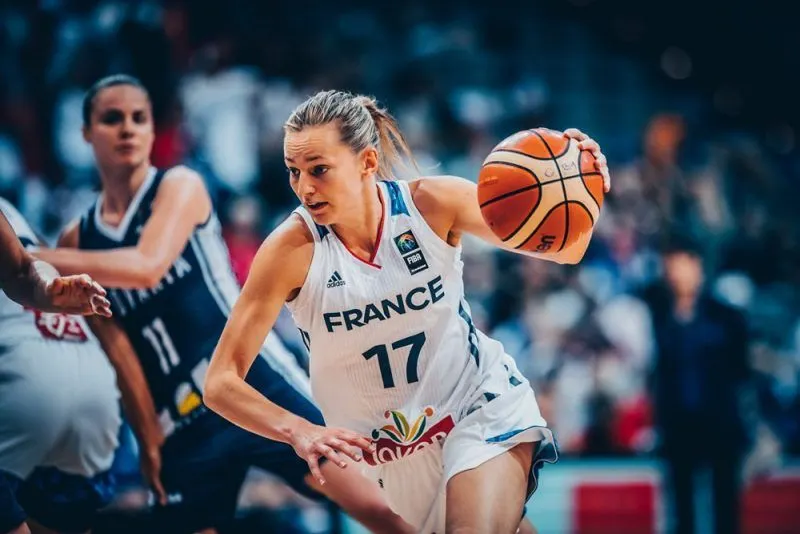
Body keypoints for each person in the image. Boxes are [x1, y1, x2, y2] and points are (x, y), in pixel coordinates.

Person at [203, 90, 612, 533]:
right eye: (293, 171)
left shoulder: (431, 204)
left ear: (367, 162)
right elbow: (220, 382)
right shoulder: (290, 250)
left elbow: (565, 250)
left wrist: (583, 185)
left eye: (319, 170)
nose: (304, 187)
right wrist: (299, 429)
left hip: (476, 403)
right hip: (397, 453)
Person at [34, 75, 410, 534]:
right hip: (179, 417)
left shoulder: (178, 186)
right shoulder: (77, 239)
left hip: (249, 380)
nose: (128, 128)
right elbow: (118, 350)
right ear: (87, 133)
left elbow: (146, 266)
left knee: (381, 506)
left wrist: (26, 255)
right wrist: (148, 437)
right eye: (112, 119)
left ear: (153, 130)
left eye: (139, 118)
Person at [0, 199, 123, 534]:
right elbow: (24, 269)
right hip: (88, 396)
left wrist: (49, 291)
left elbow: (21, 270)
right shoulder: (17, 216)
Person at [643, 236, 751, 534]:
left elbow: (741, 371)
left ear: (697, 266)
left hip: (720, 423)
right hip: (678, 425)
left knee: (724, 505)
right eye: (670, 267)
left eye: (681, 265)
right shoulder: (660, 314)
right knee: (681, 508)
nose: (675, 274)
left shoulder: (726, 316)